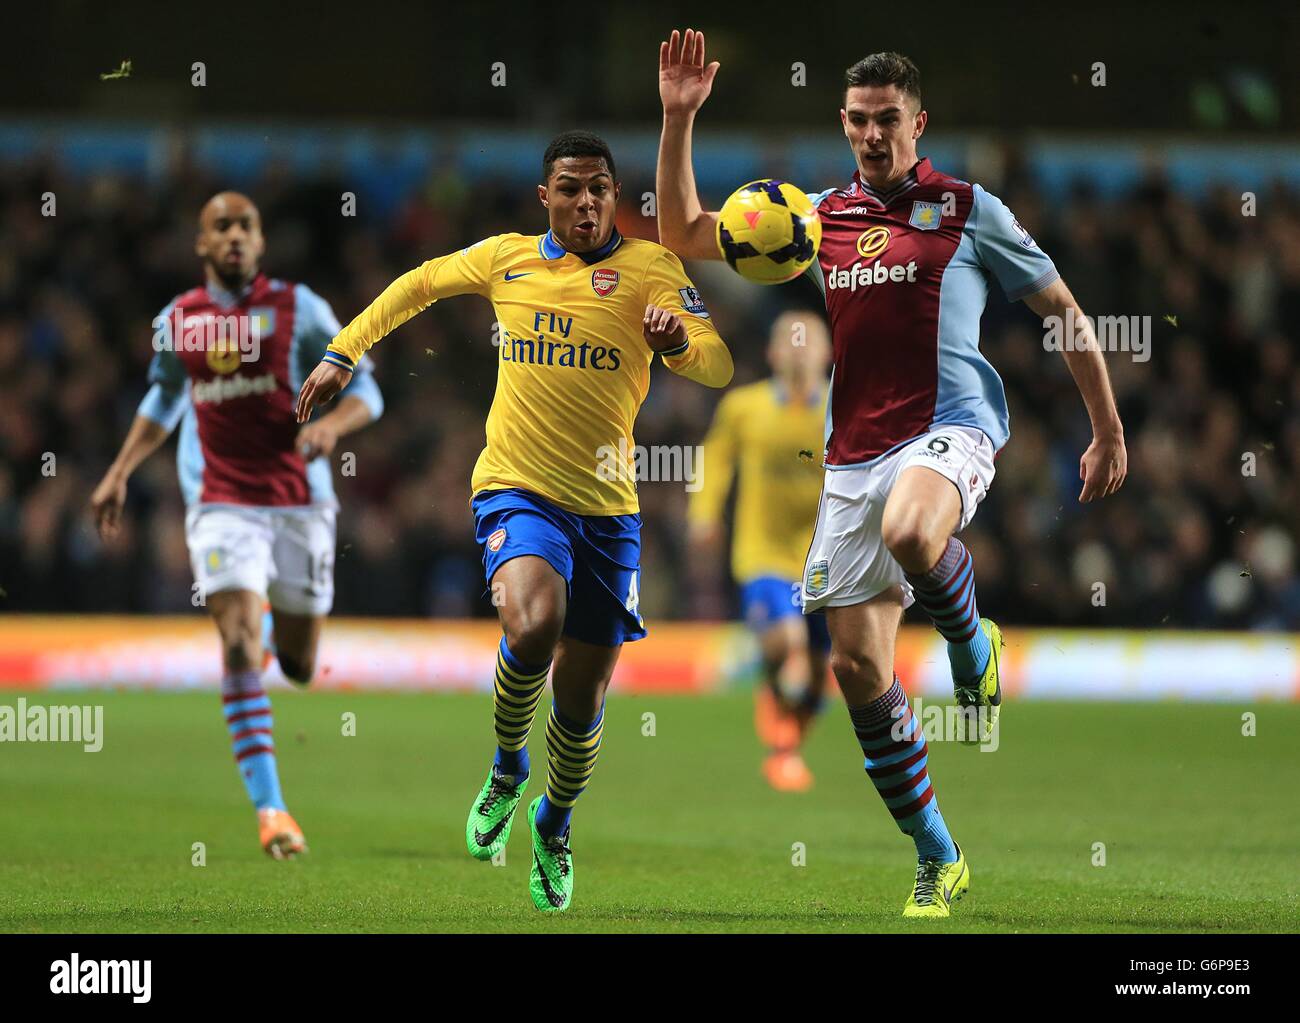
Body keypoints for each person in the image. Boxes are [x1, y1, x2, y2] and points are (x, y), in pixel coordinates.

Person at [656, 30, 1127, 916]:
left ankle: (968, 640)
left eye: (890, 120)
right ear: (844, 123)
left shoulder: (967, 208)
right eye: (860, 121)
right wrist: (679, 117)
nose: (875, 135)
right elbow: (682, 231)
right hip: (851, 459)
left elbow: (1060, 307)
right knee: (856, 671)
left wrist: (1106, 425)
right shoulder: (813, 217)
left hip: (951, 430)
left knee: (914, 531)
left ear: (920, 122)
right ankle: (938, 855)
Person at [294, 131, 732, 911]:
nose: (587, 201)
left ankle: (554, 824)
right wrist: (343, 351)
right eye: (570, 188)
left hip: (607, 508)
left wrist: (677, 346)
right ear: (545, 196)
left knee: (583, 694)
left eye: (599, 187)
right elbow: (419, 284)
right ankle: (505, 768)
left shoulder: (652, 269)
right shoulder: (506, 258)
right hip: (517, 487)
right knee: (534, 622)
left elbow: (717, 362)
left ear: (613, 194)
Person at [91, 192, 384, 860]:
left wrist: (332, 425)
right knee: (236, 641)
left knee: (301, 664)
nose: (234, 237)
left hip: (299, 503)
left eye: (245, 226)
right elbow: (164, 396)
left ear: (260, 241)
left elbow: (368, 388)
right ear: (201, 244)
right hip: (220, 503)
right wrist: (120, 469)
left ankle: (272, 640)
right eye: (220, 227)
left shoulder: (299, 308)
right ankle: (272, 809)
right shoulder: (180, 321)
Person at [688, 310, 832, 792]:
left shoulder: (841, 408)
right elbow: (714, 459)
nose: (797, 349)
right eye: (787, 341)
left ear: (829, 353)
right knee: (786, 641)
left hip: (827, 559)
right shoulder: (744, 407)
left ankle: (788, 746)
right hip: (762, 553)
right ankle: (778, 719)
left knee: (823, 670)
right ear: (771, 353)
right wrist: (704, 514)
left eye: (807, 341)